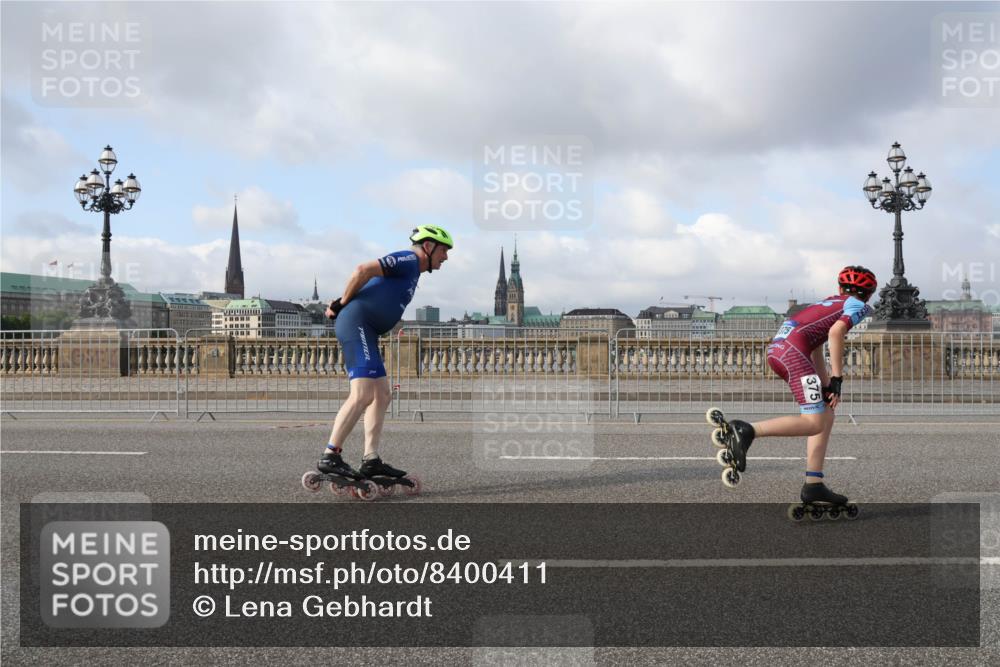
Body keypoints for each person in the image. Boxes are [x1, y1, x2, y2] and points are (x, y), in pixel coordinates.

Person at [721, 266, 877, 506]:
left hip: (779, 350)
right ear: (868, 294)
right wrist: (837, 380)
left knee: (825, 414)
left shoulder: (825, 303)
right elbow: (836, 333)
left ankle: (814, 484)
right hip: (793, 355)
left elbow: (816, 345)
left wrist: (825, 387)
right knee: (813, 422)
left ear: (838, 288)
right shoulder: (858, 305)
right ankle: (746, 430)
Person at [317, 225, 453, 481]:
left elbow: (376, 290)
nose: (445, 257)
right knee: (363, 393)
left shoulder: (414, 273)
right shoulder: (409, 259)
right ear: (428, 247)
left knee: (382, 394)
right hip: (357, 323)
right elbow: (362, 270)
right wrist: (340, 302)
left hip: (367, 329)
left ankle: (371, 459)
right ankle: (330, 455)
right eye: (443, 251)